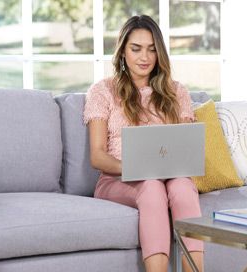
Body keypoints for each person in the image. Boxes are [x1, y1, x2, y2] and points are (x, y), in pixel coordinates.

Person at [83, 15, 204, 272]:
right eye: (135, 49)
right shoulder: (102, 91)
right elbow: (97, 156)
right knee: (150, 186)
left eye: (151, 49)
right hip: (116, 181)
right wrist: (139, 168)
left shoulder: (176, 91)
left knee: (183, 186)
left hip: (168, 178)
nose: (144, 57)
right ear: (123, 52)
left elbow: (185, 147)